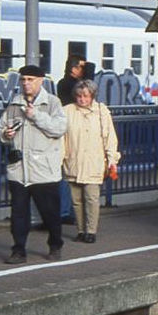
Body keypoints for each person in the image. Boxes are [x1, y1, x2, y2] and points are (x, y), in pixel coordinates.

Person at [0, 65, 69, 264]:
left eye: (30, 79)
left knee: (50, 213)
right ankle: (18, 250)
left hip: (43, 170)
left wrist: (36, 115)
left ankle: (55, 245)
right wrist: (5, 134)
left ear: (40, 80)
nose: (25, 83)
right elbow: (1, 129)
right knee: (18, 214)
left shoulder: (53, 103)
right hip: (19, 170)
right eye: (23, 79)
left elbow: (59, 128)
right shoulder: (14, 104)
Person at [62, 79, 120, 244]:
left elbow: (110, 138)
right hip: (73, 160)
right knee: (76, 200)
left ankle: (91, 230)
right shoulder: (67, 111)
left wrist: (112, 159)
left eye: (86, 96)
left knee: (91, 198)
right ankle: (81, 230)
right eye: (79, 96)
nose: (82, 99)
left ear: (92, 96)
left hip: (94, 161)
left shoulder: (102, 112)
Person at [54, 54, 89, 226]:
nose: (84, 70)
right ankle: (65, 211)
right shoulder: (66, 84)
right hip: (70, 133)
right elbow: (80, 95)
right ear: (74, 68)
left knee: (73, 175)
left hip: (76, 133)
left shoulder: (67, 83)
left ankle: (68, 211)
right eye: (82, 67)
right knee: (68, 175)